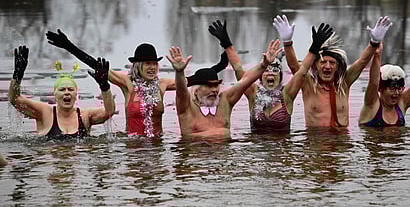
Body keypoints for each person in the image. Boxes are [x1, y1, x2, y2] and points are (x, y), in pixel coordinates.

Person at [45, 30, 228, 137]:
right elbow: (96, 64)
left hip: (157, 145)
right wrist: (69, 47)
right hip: (132, 146)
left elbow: (193, 79)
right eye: (147, 64)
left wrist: (220, 65)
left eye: (154, 63)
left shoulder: (162, 84)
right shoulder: (127, 83)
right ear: (138, 65)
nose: (152, 67)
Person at [208, 20, 333, 133]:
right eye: (266, 70)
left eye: (274, 70)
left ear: (280, 76)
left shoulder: (287, 94)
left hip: (282, 154)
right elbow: (238, 69)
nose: (270, 73)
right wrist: (226, 43)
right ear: (260, 76)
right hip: (258, 153)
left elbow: (302, 71)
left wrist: (314, 48)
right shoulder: (253, 93)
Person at [273, 14, 392, 127]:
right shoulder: (308, 84)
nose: (328, 66)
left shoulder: (344, 83)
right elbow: (295, 67)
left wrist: (374, 43)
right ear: (316, 66)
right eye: (323, 62)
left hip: (341, 143)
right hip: (315, 143)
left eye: (332, 63)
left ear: (338, 67)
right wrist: (287, 42)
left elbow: (361, 63)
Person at [165, 40, 282, 137]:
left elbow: (245, 81)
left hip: (224, 159)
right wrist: (179, 72)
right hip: (196, 159)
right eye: (209, 86)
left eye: (216, 85)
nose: (214, 90)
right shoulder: (186, 106)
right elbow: (181, 91)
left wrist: (264, 65)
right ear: (197, 90)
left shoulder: (225, 100)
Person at [8, 45, 115, 140]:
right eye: (62, 89)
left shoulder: (85, 115)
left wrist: (104, 86)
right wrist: (17, 75)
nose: (67, 92)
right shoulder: (45, 112)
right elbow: (15, 99)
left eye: (70, 89)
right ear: (55, 95)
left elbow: (109, 111)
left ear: (76, 94)